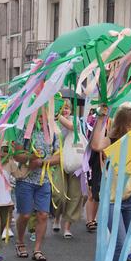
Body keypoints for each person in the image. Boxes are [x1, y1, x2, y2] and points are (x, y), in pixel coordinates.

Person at [91, 104, 131, 261]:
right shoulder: (112, 141)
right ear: (124, 125)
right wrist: (102, 118)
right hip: (111, 200)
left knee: (125, 246)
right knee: (119, 244)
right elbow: (96, 145)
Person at [12, 119, 60, 261]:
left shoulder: (53, 132)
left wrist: (43, 162)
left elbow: (59, 156)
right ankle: (20, 242)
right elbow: (16, 154)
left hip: (44, 180)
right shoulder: (25, 130)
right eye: (39, 114)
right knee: (25, 215)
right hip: (25, 178)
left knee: (43, 215)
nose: (42, 117)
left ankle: (37, 249)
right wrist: (30, 158)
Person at [52, 99, 83, 239]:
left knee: (75, 194)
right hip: (58, 161)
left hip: (74, 161)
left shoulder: (74, 120)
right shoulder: (52, 122)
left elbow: (71, 127)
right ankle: (57, 217)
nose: (65, 110)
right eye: (63, 108)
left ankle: (67, 227)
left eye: (67, 108)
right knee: (59, 194)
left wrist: (59, 117)